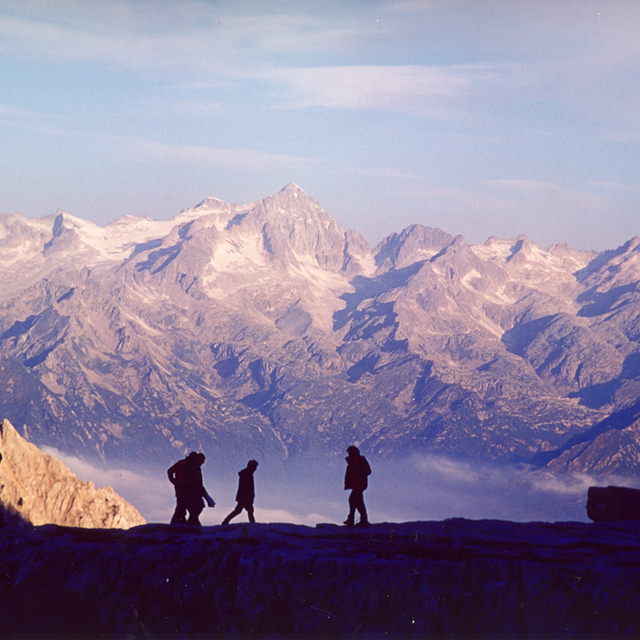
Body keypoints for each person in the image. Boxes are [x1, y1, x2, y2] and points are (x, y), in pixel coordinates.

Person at [167, 451, 215, 526]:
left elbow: (169, 471)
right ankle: (189, 525)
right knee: (192, 510)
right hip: (189, 493)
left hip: (180, 491)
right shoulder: (195, 468)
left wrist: (174, 481)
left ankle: (179, 525)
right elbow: (199, 485)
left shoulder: (181, 463)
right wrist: (207, 498)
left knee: (181, 510)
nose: (201, 464)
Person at [222, 460, 259, 525]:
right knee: (248, 511)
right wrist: (249, 498)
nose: (255, 469)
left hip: (244, 497)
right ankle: (253, 525)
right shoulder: (247, 474)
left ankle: (225, 521)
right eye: (254, 467)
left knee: (240, 510)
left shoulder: (246, 473)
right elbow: (246, 487)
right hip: (245, 497)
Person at [343, 445, 372, 527]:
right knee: (357, 502)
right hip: (358, 485)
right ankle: (361, 520)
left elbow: (367, 471)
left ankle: (354, 519)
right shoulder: (353, 461)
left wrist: (358, 476)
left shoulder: (358, 461)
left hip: (358, 485)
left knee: (353, 500)